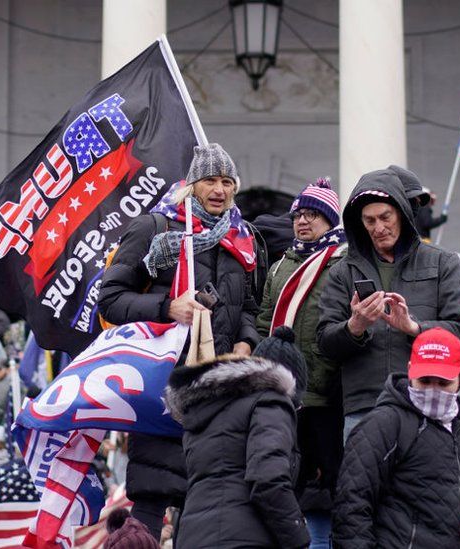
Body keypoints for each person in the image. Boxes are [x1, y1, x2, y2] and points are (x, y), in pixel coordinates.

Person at [97, 143, 260, 535]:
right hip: (161, 386)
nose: (219, 189)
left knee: (207, 505)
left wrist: (246, 341)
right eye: (209, 180)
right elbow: (112, 300)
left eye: (226, 181)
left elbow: (251, 305)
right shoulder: (155, 227)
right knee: (152, 499)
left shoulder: (244, 237)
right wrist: (167, 307)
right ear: (192, 184)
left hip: (219, 389)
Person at [316, 167, 460, 438]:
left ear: (401, 213)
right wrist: (354, 327)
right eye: (369, 221)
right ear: (359, 224)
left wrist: (415, 328)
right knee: (362, 481)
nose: (379, 228)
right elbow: (324, 343)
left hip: (429, 403)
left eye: (385, 217)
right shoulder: (342, 271)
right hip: (364, 407)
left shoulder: (442, 262)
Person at [333, 328, 460, 548]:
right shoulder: (384, 424)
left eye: (443, 383)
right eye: (424, 381)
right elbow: (351, 506)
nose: (433, 390)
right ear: (410, 371)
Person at [255, 178, 344, 549]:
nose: (303, 222)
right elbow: (263, 319)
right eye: (299, 215)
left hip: (325, 397)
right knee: (288, 480)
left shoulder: (342, 263)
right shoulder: (280, 266)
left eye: (313, 215)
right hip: (284, 394)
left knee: (332, 484)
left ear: (330, 221)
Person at [163, 328, 311, 549]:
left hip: (192, 538)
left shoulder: (205, 410)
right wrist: (299, 537)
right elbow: (268, 480)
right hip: (245, 538)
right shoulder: (272, 401)